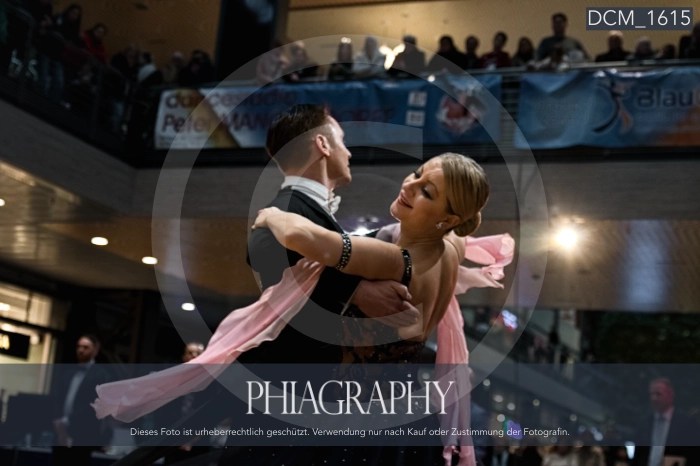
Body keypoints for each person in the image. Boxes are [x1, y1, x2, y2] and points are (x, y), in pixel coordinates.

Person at [51, 334, 112, 466]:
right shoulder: (68, 373)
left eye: (85, 347)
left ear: (95, 350)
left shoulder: (101, 375)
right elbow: (57, 399)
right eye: (78, 346)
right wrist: (58, 421)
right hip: (60, 433)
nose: (80, 350)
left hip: (83, 434)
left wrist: (66, 421)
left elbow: (93, 405)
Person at [631, 377, 700, 466]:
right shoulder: (644, 424)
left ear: (670, 395)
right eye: (651, 394)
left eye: (658, 394)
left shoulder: (687, 424)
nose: (654, 398)